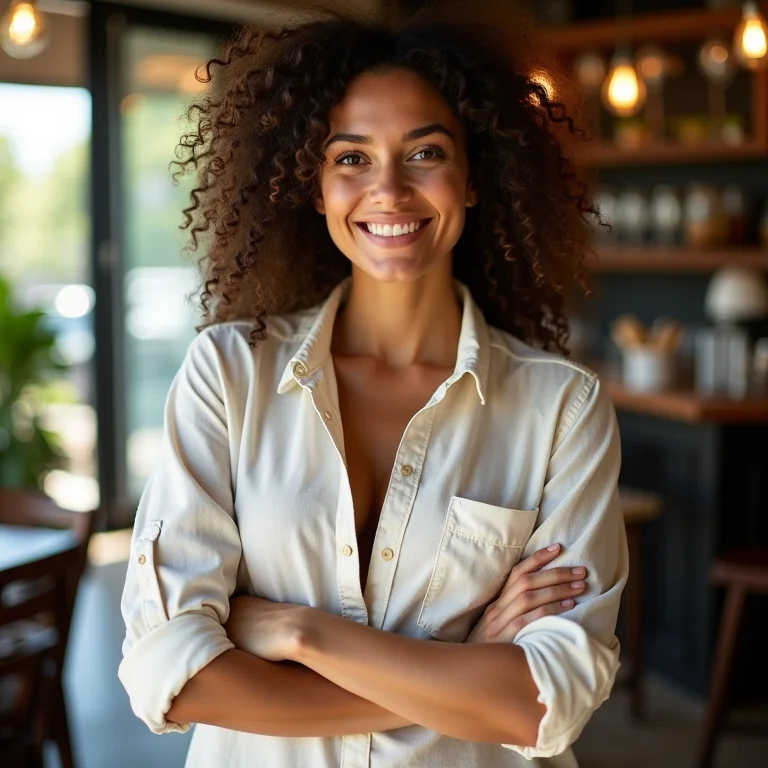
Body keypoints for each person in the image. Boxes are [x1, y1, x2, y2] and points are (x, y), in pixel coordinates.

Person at [118, 7, 628, 768]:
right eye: (351, 158)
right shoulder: (228, 374)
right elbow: (174, 675)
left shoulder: (562, 407)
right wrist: (461, 669)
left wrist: (299, 633)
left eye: (424, 152)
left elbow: (541, 704)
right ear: (312, 185)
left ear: (474, 176)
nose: (388, 189)